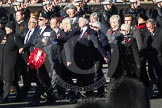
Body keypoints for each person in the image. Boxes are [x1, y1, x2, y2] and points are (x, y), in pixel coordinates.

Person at [0, 21, 23, 103]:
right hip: (4, 63)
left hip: (11, 63)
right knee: (14, 81)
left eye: (8, 27)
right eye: (6, 27)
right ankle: (20, 96)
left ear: (12, 28)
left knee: (8, 80)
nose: (6, 29)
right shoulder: (5, 37)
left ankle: (4, 98)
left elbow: (21, 48)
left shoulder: (15, 37)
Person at [140, 19, 162, 98]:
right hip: (150, 59)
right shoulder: (147, 33)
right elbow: (145, 45)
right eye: (147, 27)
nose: (149, 29)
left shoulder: (160, 32)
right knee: (152, 75)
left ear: (154, 25)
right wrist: (139, 54)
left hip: (159, 59)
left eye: (150, 27)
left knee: (159, 76)